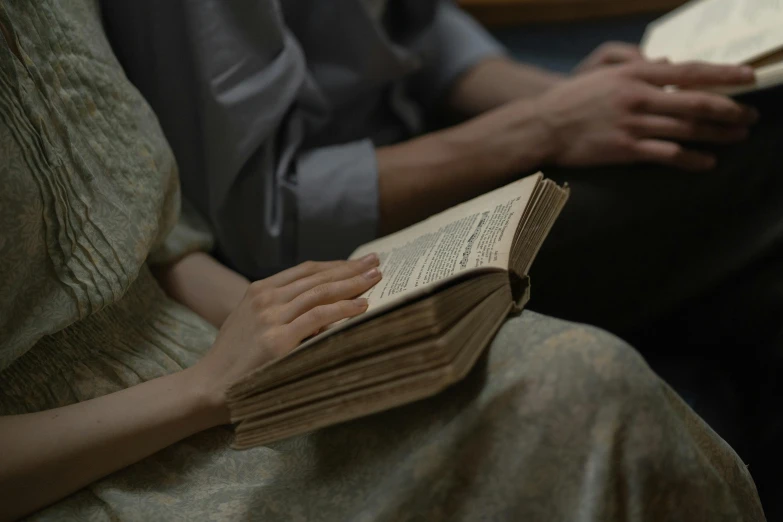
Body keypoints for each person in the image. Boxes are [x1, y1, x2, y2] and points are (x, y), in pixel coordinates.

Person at [0, 1, 768, 521]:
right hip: (134, 425)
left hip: (222, 323)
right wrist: (543, 122)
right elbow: (269, 215)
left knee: (588, 365)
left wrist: (558, 97)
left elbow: (157, 230)